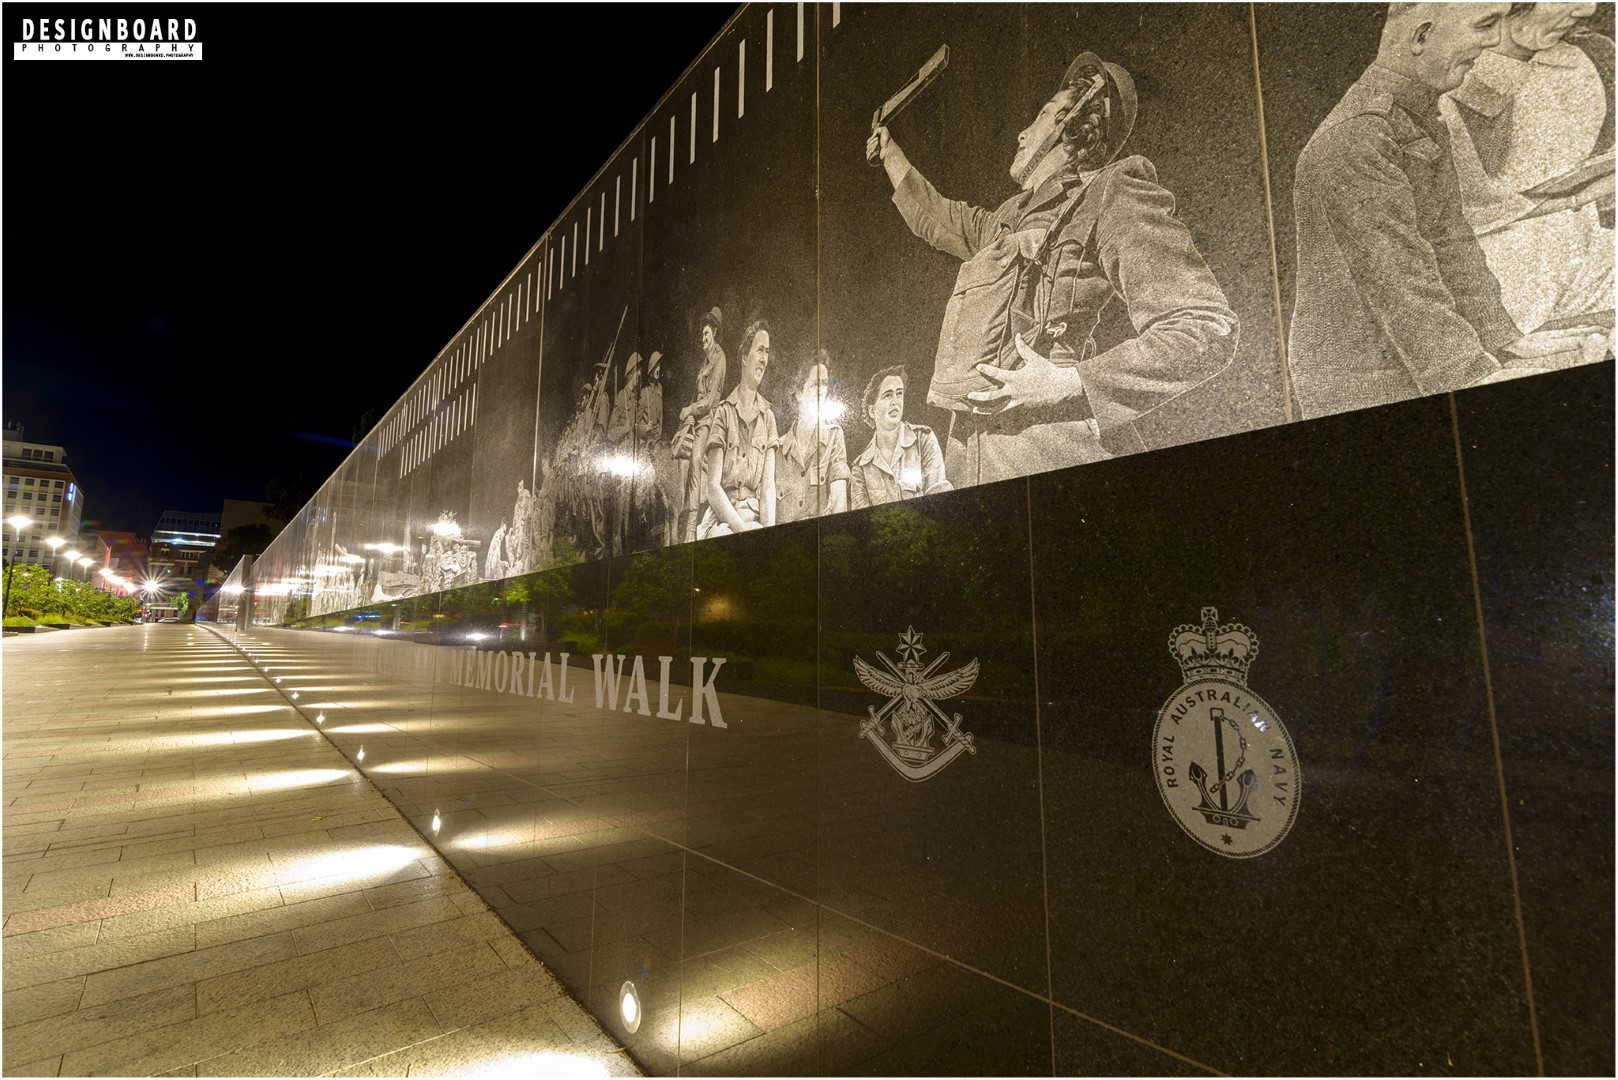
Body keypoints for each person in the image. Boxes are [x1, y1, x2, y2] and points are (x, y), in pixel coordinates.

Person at [867, 51, 1237, 488]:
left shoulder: (1111, 192)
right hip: (971, 453)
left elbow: (1206, 326)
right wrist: (890, 155)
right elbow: (941, 218)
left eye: (1041, 117)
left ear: (1073, 124)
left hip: (1052, 451)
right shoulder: (1009, 217)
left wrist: (1073, 381)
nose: (1022, 134)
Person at [1288, 3, 1602, 420]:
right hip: (1365, 379)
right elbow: (1399, 281)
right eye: (1485, 25)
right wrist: (1470, 373)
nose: (1494, 40)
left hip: (1413, 358)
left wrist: (1502, 339)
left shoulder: (1415, 114)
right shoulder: (1359, 137)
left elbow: (1451, 242)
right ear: (1421, 37)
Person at [1440, 2, 1613, 346]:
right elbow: (1476, 188)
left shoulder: (1594, 57)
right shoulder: (1452, 71)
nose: (1587, 8)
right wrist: (1507, 57)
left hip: (1584, 250)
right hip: (1502, 268)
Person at [697, 319, 778, 537]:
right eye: (759, 350)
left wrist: (769, 536)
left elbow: (768, 486)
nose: (763, 359)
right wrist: (740, 530)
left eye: (767, 352)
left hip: (754, 518)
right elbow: (713, 488)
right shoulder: (723, 413)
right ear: (744, 356)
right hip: (723, 519)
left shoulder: (768, 418)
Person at [849, 366, 951, 508]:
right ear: (872, 410)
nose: (895, 401)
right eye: (888, 395)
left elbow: (940, 497)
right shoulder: (860, 468)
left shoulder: (924, 440)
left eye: (899, 394)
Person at [776, 350, 851, 522]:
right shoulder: (777, 450)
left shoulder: (834, 436)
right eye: (815, 384)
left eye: (824, 384)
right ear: (798, 393)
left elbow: (840, 508)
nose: (821, 391)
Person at [672, 308, 727, 541]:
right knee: (676, 449)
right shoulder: (703, 362)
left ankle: (691, 528)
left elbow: (709, 400)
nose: (703, 338)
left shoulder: (720, 359)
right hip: (697, 419)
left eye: (706, 333)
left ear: (714, 333)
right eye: (702, 334)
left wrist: (690, 410)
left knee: (695, 459)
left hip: (709, 419)